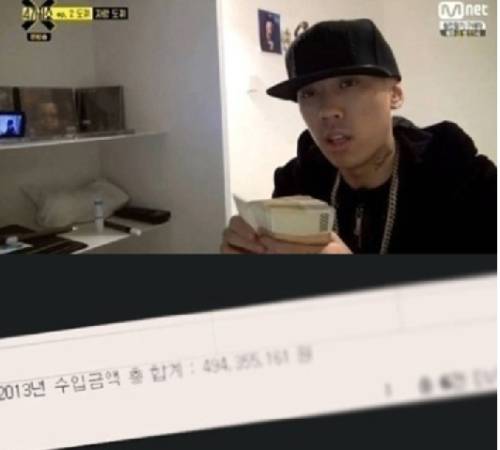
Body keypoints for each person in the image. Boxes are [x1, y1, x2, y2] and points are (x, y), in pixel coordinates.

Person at [221, 19, 497, 254]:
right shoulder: (296, 185)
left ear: (395, 95)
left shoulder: (466, 182)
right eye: (309, 93)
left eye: (348, 83)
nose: (327, 110)